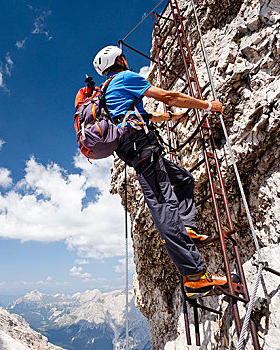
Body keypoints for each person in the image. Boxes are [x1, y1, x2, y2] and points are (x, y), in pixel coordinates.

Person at [92, 45, 227, 298]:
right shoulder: (125, 78)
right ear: (120, 60)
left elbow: (146, 115)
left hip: (136, 149)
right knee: (164, 205)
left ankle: (187, 229)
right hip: (143, 149)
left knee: (184, 179)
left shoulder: (108, 90)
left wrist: (173, 119)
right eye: (124, 57)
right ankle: (195, 276)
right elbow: (168, 96)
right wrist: (207, 105)